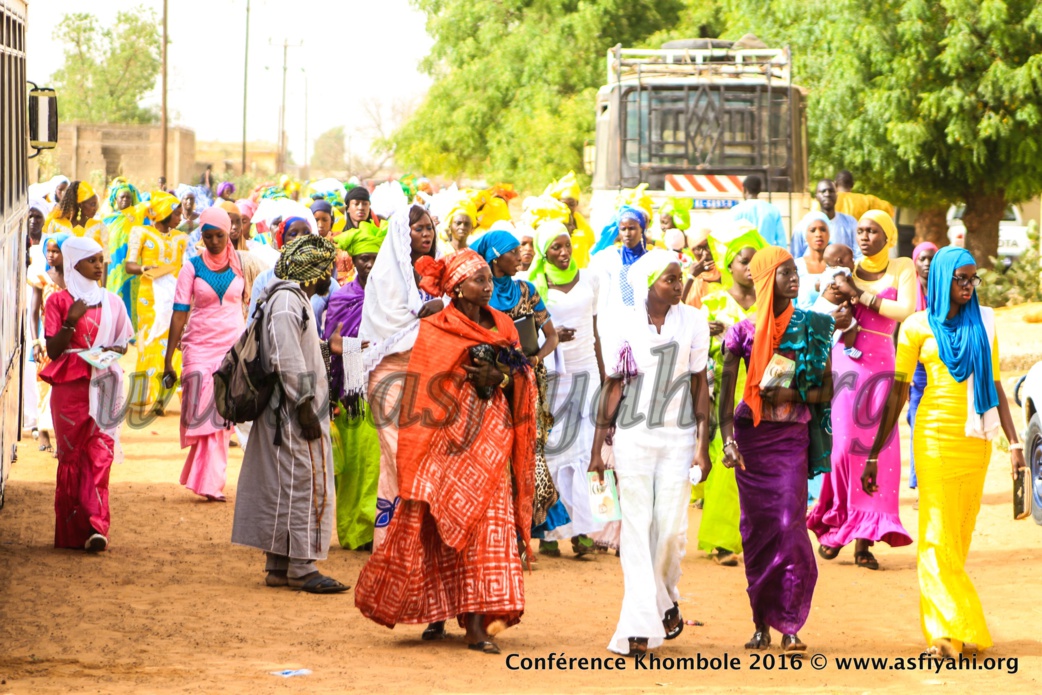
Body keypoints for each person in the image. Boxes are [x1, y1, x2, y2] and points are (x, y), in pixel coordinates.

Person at [354, 249, 537, 653]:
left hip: (492, 437)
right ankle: (436, 612)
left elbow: (524, 373)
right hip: (446, 441)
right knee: (438, 524)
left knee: (488, 525)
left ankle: (476, 625)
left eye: (489, 278)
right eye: (479, 279)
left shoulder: (503, 323)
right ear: (456, 287)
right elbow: (424, 389)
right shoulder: (437, 327)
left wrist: (501, 377)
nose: (488, 286)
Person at [863, 246, 1024, 658]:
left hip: (975, 441)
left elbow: (997, 388)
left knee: (958, 537)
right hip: (933, 437)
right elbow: (899, 392)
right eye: (962, 279)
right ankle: (947, 632)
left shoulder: (986, 322)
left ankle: (954, 624)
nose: (969, 286)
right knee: (935, 535)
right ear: (942, 280)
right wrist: (875, 452)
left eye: (974, 279)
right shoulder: (917, 326)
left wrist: (1016, 443)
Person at [589, 249, 711, 656]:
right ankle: (640, 623)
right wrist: (596, 452)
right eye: (670, 279)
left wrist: (702, 445)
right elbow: (613, 387)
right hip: (633, 438)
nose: (678, 285)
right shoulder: (621, 323)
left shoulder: (693, 321)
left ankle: (664, 598)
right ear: (648, 284)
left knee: (672, 531)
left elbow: (699, 386)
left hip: (678, 438)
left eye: (679, 278)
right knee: (637, 530)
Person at [718, 247, 834, 652]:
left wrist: (790, 390)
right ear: (766, 279)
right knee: (757, 533)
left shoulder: (815, 325)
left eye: (794, 271)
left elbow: (827, 389)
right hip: (751, 439)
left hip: (789, 439)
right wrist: (727, 440)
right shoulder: (743, 332)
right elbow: (725, 390)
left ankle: (790, 622)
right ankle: (760, 624)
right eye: (783, 272)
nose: (793, 277)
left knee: (789, 525)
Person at [231, 234, 349, 594]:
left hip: (286, 411)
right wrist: (305, 408)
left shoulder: (288, 299)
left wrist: (329, 349)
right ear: (311, 271)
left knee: (287, 482)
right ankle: (302, 567)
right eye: (327, 266)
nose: (332, 273)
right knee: (305, 483)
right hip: (293, 412)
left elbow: (295, 350)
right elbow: (286, 358)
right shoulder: (286, 301)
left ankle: (279, 565)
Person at [808, 210, 914, 569]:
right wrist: (837, 308)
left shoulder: (901, 268)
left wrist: (861, 296)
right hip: (846, 364)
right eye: (861, 231)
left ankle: (863, 543)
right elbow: (819, 311)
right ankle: (838, 520)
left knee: (876, 451)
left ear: (887, 235)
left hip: (882, 361)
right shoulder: (846, 271)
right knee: (841, 450)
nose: (865, 236)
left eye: (872, 231)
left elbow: (906, 310)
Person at [40, 236, 133, 551]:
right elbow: (53, 351)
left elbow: (122, 342)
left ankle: (96, 527)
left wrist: (107, 351)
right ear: (73, 263)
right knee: (72, 457)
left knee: (99, 454)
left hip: (104, 382)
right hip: (69, 388)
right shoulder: (57, 302)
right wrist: (71, 321)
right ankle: (71, 532)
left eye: (100, 260)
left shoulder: (112, 301)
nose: (98, 266)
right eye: (91, 260)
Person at [470, 229, 563, 539]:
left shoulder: (527, 291)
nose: (520, 257)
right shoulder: (477, 292)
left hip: (527, 380)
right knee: (493, 450)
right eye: (513, 252)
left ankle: (526, 522)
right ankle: (496, 521)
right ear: (496, 257)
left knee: (528, 447)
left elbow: (551, 336)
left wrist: (536, 360)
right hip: (489, 383)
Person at [359, 204, 443, 548]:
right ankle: (401, 541)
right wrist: (435, 312)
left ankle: (399, 541)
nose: (426, 234)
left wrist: (444, 304)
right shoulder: (384, 277)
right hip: (389, 374)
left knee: (422, 453)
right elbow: (391, 325)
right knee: (399, 456)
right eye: (417, 228)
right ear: (400, 233)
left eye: (429, 228)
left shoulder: (436, 273)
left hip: (427, 374)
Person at [526, 220, 605, 556]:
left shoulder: (590, 278)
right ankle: (548, 531)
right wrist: (552, 333)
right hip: (554, 375)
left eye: (566, 245)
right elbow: (529, 331)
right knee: (554, 450)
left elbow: (598, 329)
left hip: (588, 371)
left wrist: (605, 376)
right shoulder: (534, 284)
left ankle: (592, 531)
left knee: (594, 449)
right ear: (544, 252)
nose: (562, 252)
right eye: (554, 248)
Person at [163, 207, 246, 502]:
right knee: (203, 411)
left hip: (232, 349)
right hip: (197, 347)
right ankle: (205, 478)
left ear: (229, 234)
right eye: (207, 236)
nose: (213, 242)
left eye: (219, 235)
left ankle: (209, 481)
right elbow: (179, 314)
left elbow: (250, 305)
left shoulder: (241, 266)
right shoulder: (192, 267)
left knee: (222, 415)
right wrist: (168, 357)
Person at [697, 229, 767, 566]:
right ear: (730, 265)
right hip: (726, 393)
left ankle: (756, 538)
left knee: (762, 468)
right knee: (727, 467)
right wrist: (706, 332)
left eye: (757, 261)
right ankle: (724, 541)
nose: (751, 267)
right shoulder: (713, 303)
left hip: (765, 392)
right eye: (744, 260)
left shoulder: (772, 303)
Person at [325, 222, 387, 550]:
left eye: (376, 257)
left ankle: (369, 526)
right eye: (364, 258)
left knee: (374, 460)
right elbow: (331, 342)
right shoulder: (343, 297)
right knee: (350, 463)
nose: (370, 264)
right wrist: (359, 350)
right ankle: (351, 530)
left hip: (383, 382)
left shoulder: (390, 296)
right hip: (349, 384)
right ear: (354, 259)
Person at [124, 192, 188, 413]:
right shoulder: (141, 233)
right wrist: (145, 269)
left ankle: (163, 397)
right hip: (149, 296)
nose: (180, 218)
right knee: (150, 343)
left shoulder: (181, 238)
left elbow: (185, 267)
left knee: (173, 343)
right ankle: (143, 396)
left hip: (174, 295)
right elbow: (128, 265)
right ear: (165, 213)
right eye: (177, 214)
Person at [27, 230, 70, 454]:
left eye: (56, 251)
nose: (51, 255)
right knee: (45, 388)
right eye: (49, 251)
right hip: (46, 342)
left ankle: (63, 438)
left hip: (71, 343)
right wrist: (35, 341)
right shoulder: (41, 279)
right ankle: (43, 431)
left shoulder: (75, 279)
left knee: (65, 391)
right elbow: (33, 313)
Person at [908, 241, 938, 492]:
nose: (927, 264)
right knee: (917, 420)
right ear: (915, 262)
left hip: (940, 363)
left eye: (931, 259)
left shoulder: (944, 291)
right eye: (922, 259)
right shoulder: (909, 293)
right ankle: (919, 483)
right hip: (916, 365)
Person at [589, 205, 649, 312]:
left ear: (642, 230)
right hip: (616, 320)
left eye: (632, 228)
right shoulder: (609, 258)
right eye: (623, 229)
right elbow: (602, 296)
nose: (627, 234)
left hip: (645, 320)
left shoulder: (652, 259)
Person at [47, 181, 109, 276]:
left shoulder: (99, 227)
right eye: (92, 204)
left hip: (91, 284)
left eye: (96, 205)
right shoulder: (56, 225)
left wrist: (102, 289)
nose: (95, 208)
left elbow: (104, 261)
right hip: (63, 281)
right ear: (80, 205)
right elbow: (49, 258)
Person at [103, 179, 143, 325]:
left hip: (133, 269)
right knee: (114, 300)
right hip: (113, 269)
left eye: (128, 197)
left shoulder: (138, 218)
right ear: (115, 200)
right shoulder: (108, 221)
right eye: (122, 197)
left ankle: (131, 335)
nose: (125, 200)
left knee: (131, 300)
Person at [791, 180, 859, 259]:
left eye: (831, 191)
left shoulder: (850, 222)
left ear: (837, 196)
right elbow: (795, 257)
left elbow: (858, 254)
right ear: (816, 197)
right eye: (823, 191)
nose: (827, 194)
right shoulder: (803, 226)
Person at [543, 172, 595, 268]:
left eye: (571, 204)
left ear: (577, 204)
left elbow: (590, 242)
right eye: (564, 204)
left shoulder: (581, 223)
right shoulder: (551, 222)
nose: (567, 208)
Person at [730, 176, 786, 248]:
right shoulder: (773, 210)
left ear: (744, 190)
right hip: (767, 257)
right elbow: (781, 242)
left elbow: (731, 238)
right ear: (759, 190)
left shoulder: (736, 210)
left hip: (745, 257)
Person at [794, 212, 831, 310]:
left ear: (829, 234)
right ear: (805, 235)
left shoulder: (837, 265)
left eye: (823, 229)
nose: (818, 234)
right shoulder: (796, 266)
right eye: (812, 230)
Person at [682, 226, 722, 309]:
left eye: (708, 246)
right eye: (698, 248)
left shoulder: (728, 269)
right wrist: (691, 277)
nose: (705, 253)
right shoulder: (685, 275)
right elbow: (675, 307)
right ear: (692, 251)